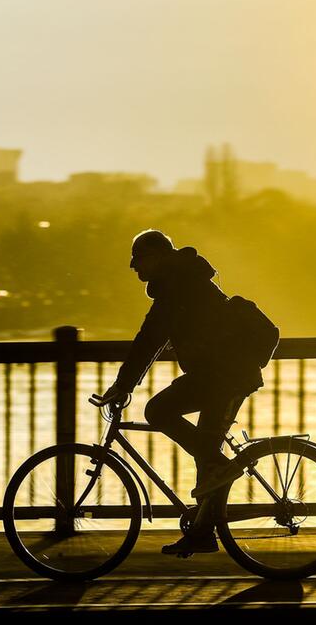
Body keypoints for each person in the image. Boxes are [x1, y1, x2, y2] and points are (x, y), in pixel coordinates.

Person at [99, 230, 265, 556]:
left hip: (225, 376)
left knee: (158, 412)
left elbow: (149, 339)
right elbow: (153, 339)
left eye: (139, 258)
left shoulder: (177, 288)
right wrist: (124, 384)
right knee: (206, 455)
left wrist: (123, 386)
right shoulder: (182, 280)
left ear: (159, 257)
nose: (134, 266)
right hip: (218, 375)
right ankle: (203, 532)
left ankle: (219, 467)